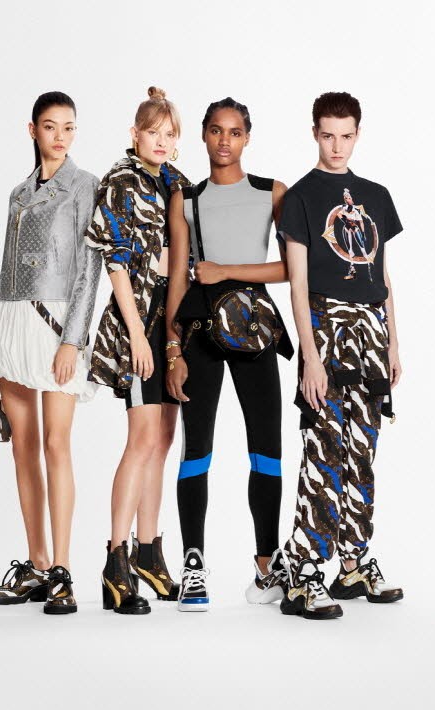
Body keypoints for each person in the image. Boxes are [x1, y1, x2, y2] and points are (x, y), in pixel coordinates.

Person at [268, 91, 404, 620]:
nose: (337, 146)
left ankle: (353, 562)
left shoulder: (377, 195)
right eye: (328, 135)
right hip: (325, 328)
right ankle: (303, 572)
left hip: (371, 333)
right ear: (314, 134)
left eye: (346, 136)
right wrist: (310, 356)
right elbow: (298, 285)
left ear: (358, 134)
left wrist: (394, 341)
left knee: (363, 450)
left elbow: (381, 275)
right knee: (323, 450)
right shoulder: (301, 197)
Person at [0, 91, 102, 615]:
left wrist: (73, 339)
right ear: (33, 130)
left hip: (55, 324)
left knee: (56, 443)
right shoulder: (18, 194)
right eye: (51, 126)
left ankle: (63, 569)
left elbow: (89, 269)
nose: (60, 136)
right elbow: (5, 270)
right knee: (22, 445)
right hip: (12, 321)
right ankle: (38, 563)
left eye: (69, 127)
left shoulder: (84, 186)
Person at [165, 97, 294, 611]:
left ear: (247, 138)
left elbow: (291, 268)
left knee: (267, 447)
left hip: (255, 329)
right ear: (203, 135)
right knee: (197, 447)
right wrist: (173, 349)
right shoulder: (187, 200)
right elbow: (178, 280)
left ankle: (267, 564)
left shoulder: (272, 193)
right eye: (217, 131)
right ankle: (193, 565)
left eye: (235, 132)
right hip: (200, 332)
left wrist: (226, 270)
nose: (225, 140)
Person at [85, 87, 190, 615]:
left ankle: (149, 551)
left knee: (163, 439)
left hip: (172, 325)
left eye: (169, 134)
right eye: (153, 132)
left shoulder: (176, 182)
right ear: (135, 134)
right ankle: (116, 559)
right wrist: (136, 335)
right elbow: (117, 263)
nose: (161, 141)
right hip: (138, 326)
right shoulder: (121, 181)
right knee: (142, 438)